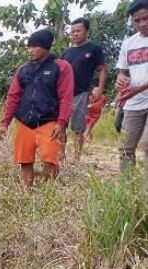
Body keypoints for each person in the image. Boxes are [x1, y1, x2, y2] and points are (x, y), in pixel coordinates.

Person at [0, 29, 74, 188]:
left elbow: (66, 97)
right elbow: (13, 96)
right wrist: (5, 122)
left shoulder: (61, 67)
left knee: (51, 163)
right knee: (24, 162)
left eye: (35, 46)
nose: (30, 50)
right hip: (25, 122)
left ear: (46, 47)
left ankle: (48, 196)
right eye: (29, 46)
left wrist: (61, 123)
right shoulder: (23, 69)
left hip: (49, 122)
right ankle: (27, 194)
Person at [62, 17, 108, 162]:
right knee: (61, 125)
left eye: (78, 31)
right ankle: (60, 156)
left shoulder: (94, 49)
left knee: (78, 128)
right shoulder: (67, 51)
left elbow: (102, 69)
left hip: (81, 93)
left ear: (87, 31)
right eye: (72, 31)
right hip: (64, 94)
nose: (75, 34)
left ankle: (76, 158)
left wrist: (100, 88)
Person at [115, 0, 148, 181]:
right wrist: (121, 81)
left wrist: (139, 88)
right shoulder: (128, 43)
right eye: (137, 20)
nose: (142, 24)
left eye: (146, 18)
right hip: (133, 103)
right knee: (125, 148)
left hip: (139, 95)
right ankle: (128, 192)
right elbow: (123, 71)